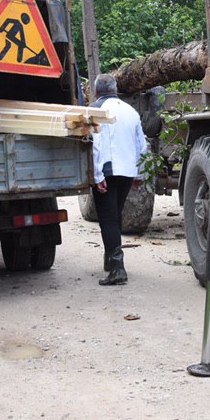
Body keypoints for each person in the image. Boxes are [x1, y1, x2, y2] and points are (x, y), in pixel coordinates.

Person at [90, 73, 148, 286]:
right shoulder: (131, 111)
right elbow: (142, 146)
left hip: (107, 172)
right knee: (115, 215)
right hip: (127, 172)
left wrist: (97, 176)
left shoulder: (96, 110)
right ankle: (110, 260)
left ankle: (117, 268)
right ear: (115, 90)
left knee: (109, 220)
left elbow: (97, 145)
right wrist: (139, 174)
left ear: (97, 91)